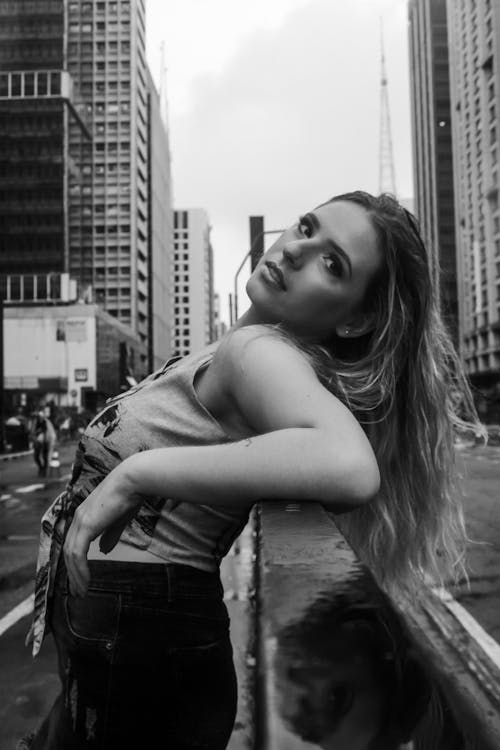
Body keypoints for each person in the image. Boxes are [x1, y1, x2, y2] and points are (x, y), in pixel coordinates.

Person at [22, 192, 482, 749]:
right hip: (135, 639)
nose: (295, 250)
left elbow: (350, 466)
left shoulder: (257, 352)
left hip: (143, 635)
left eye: (332, 263)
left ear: (358, 319)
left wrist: (137, 473)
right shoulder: (239, 352)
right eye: (306, 228)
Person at [32, 410, 56, 477]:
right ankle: (41, 468)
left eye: (40, 417)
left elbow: (48, 432)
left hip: (46, 441)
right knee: (36, 457)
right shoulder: (35, 423)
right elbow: (33, 432)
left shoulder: (46, 423)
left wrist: (47, 442)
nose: (39, 418)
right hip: (38, 442)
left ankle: (44, 471)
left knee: (44, 457)